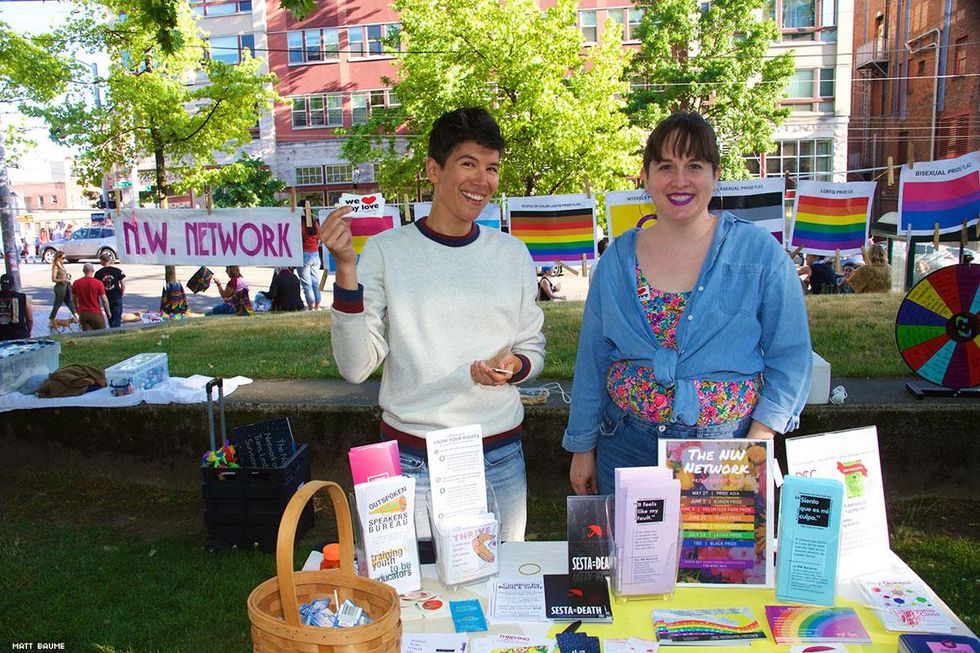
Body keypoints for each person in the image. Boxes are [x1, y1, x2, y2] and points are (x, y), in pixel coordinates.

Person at [319, 107, 546, 542]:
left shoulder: (512, 254)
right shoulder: (386, 252)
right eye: (468, 164)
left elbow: (532, 349)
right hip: (412, 462)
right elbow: (355, 366)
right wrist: (346, 270)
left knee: (498, 595)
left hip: (499, 458)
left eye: (492, 168)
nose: (482, 180)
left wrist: (512, 366)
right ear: (433, 170)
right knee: (416, 599)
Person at [563, 112, 812, 496]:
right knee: (633, 557)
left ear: (715, 174)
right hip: (626, 445)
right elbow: (593, 360)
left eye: (694, 165)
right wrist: (582, 446)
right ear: (645, 176)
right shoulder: (615, 260)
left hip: (726, 449)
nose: (679, 180)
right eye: (666, 166)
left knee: (713, 556)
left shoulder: (760, 254)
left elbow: (792, 356)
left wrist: (759, 438)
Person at [72, 263, 111, 331]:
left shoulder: (76, 283)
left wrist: (76, 309)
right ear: (93, 270)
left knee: (87, 335)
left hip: (83, 314)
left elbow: (74, 299)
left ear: (83, 271)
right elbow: (104, 300)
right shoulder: (98, 283)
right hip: (96, 312)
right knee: (101, 333)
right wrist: (108, 312)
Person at [94, 252, 126, 327]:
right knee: (117, 315)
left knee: (109, 315)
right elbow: (123, 283)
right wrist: (121, 292)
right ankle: (117, 329)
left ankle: (112, 328)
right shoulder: (117, 271)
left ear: (102, 260)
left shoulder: (98, 273)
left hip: (106, 297)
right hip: (116, 296)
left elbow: (97, 287)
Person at [299, 211, 323, 310]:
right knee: (315, 282)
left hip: (304, 254)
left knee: (306, 284)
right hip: (315, 254)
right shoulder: (315, 223)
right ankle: (317, 306)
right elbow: (319, 236)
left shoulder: (301, 224)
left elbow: (300, 237)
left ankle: (310, 307)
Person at [0, 273, 33, 340]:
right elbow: (29, 319)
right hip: (19, 334)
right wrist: (29, 331)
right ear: (13, 284)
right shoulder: (22, 297)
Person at [49, 251, 78, 328]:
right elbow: (53, 279)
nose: (64, 260)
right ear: (58, 258)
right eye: (62, 258)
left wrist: (66, 277)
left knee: (70, 302)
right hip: (60, 288)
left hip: (66, 286)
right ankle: (51, 320)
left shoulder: (62, 265)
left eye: (64, 258)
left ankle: (77, 317)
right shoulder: (56, 266)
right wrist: (63, 280)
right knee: (57, 304)